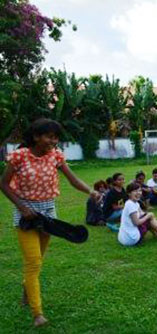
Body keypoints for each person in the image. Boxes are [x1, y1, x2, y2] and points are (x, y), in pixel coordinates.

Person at [0, 118, 100, 327]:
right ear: (36, 137)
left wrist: (91, 191)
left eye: (56, 137)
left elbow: (73, 179)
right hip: (25, 214)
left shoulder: (56, 156)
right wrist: (21, 206)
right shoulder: (19, 156)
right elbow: (3, 183)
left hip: (48, 213)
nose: (53, 141)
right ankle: (37, 313)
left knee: (38, 261)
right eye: (49, 136)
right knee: (33, 261)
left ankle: (27, 289)